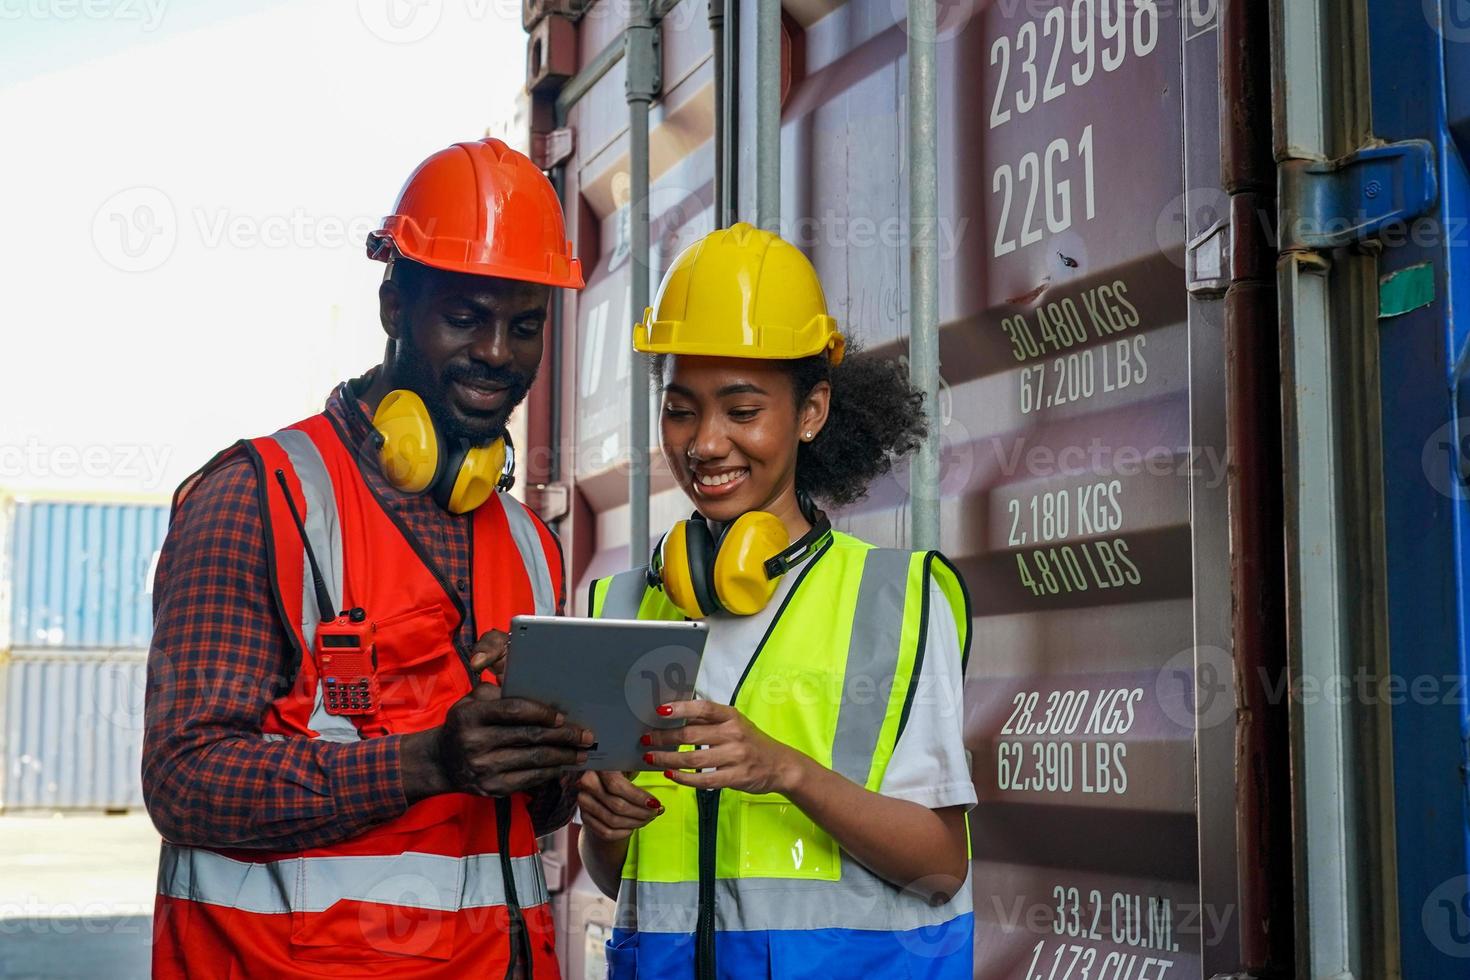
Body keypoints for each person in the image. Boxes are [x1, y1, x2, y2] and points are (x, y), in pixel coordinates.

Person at [143, 138, 591, 979]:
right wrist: (427, 760)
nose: (498, 352)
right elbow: (184, 781)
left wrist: (552, 762)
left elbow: (532, 819)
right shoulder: (260, 499)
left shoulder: (533, 544)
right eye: (465, 316)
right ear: (394, 306)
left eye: (524, 325)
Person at [576, 223, 975, 979]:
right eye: (681, 407)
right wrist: (606, 827)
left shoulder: (899, 598)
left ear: (812, 411)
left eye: (742, 408)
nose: (705, 443)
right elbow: (613, 878)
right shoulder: (618, 605)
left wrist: (782, 769)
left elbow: (941, 867)